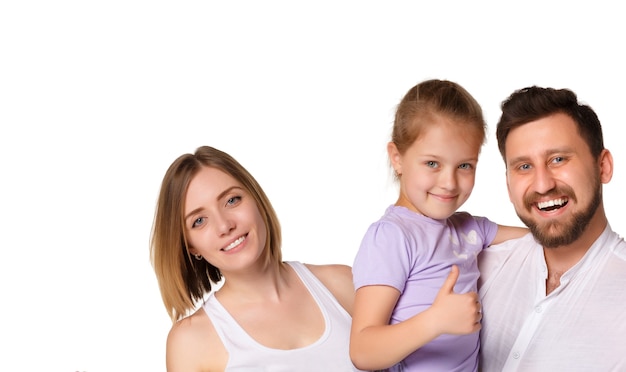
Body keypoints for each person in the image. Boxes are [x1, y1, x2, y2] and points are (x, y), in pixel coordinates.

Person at [349, 79, 528, 372]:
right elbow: (363, 351)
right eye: (432, 163)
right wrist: (436, 320)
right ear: (397, 158)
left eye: (465, 165)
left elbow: (539, 238)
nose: (449, 182)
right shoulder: (391, 237)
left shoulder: (469, 229)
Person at [150, 146, 366, 372]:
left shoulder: (343, 284)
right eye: (199, 221)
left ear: (256, 199)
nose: (225, 226)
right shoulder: (191, 342)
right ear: (191, 246)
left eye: (232, 200)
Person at [478, 86, 626, 371]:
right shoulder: (476, 269)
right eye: (523, 167)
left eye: (558, 159)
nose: (543, 184)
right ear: (508, 185)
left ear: (603, 166)